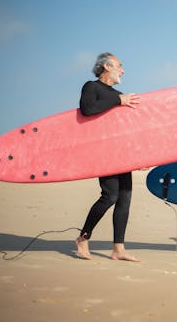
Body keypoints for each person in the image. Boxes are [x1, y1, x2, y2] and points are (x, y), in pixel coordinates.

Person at [75, 52, 141, 262]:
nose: (123, 70)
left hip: (122, 153)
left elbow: (124, 130)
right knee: (110, 196)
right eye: (120, 66)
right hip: (104, 153)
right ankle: (83, 238)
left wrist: (138, 155)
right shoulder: (91, 87)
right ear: (106, 66)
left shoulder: (119, 95)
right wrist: (118, 100)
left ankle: (118, 249)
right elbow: (87, 110)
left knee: (125, 199)